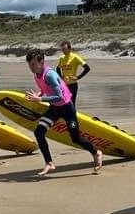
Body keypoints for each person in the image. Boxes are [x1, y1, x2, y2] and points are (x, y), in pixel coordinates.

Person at [25, 49, 102, 178]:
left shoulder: (50, 75)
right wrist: (41, 93)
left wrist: (40, 99)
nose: (31, 67)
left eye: (33, 64)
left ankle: (96, 152)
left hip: (67, 109)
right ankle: (49, 162)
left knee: (75, 138)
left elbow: (59, 96)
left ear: (41, 62)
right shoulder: (38, 74)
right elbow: (46, 88)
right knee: (39, 132)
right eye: (29, 64)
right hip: (54, 109)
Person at [56, 40, 90, 106]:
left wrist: (78, 77)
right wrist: (61, 77)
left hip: (72, 85)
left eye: (65, 49)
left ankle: (72, 115)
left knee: (71, 104)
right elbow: (57, 69)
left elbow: (87, 68)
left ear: (69, 49)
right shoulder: (62, 58)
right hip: (64, 85)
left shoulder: (75, 57)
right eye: (62, 49)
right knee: (63, 103)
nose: (63, 51)